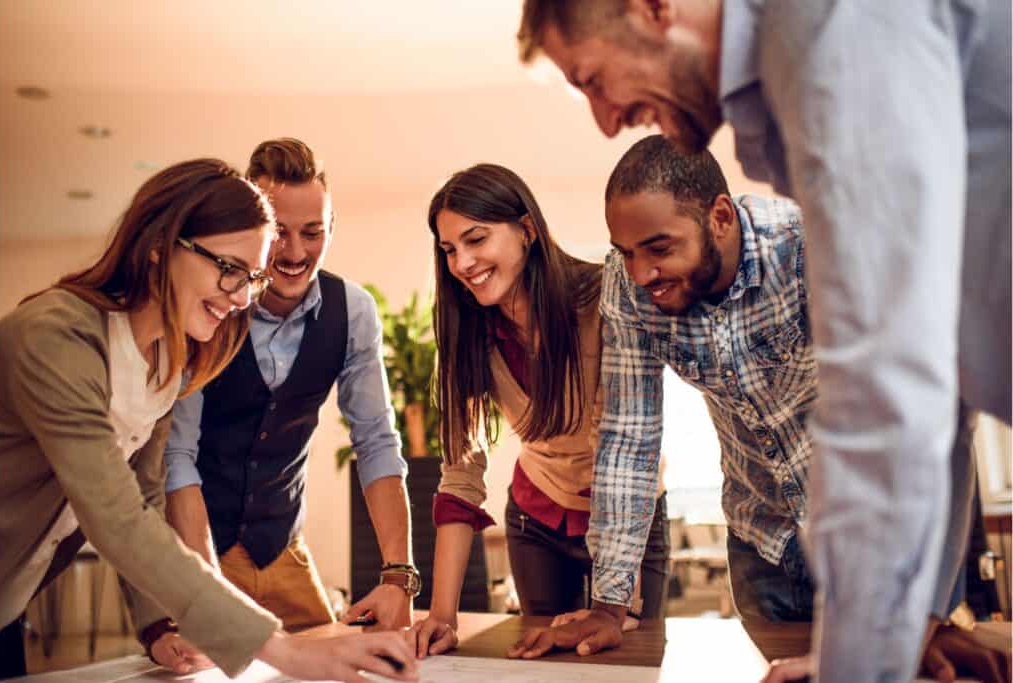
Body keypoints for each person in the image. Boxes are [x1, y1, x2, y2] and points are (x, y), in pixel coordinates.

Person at [515, 2, 1011, 681]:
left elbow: (891, 393)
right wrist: (899, 634)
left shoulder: (833, 31)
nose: (605, 120)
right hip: (766, 536)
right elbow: (936, 383)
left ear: (652, 8)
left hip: (853, 522)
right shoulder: (799, 79)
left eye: (593, 79)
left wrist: (860, 658)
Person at [0, 159, 416, 683]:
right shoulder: (54, 340)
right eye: (230, 269)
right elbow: (116, 519)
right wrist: (286, 651)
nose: (241, 299)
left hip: (3, 607)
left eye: (252, 279)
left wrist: (156, 628)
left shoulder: (170, 361)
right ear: (159, 250)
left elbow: (145, 500)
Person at [162, 139, 415, 653]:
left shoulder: (354, 313)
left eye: (313, 232)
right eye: (279, 232)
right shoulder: (210, 307)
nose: (296, 253)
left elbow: (376, 442)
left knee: (344, 664)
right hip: (200, 549)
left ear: (332, 228)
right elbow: (176, 457)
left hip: (285, 551)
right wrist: (204, 592)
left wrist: (397, 575)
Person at [410, 163, 670, 659]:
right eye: (448, 250)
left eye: (476, 239)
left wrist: (617, 602)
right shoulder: (467, 333)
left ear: (526, 230)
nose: (462, 262)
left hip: (627, 517)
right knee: (542, 663)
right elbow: (460, 478)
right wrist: (441, 617)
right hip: (537, 520)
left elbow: (620, 450)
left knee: (619, 659)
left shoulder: (604, 300)